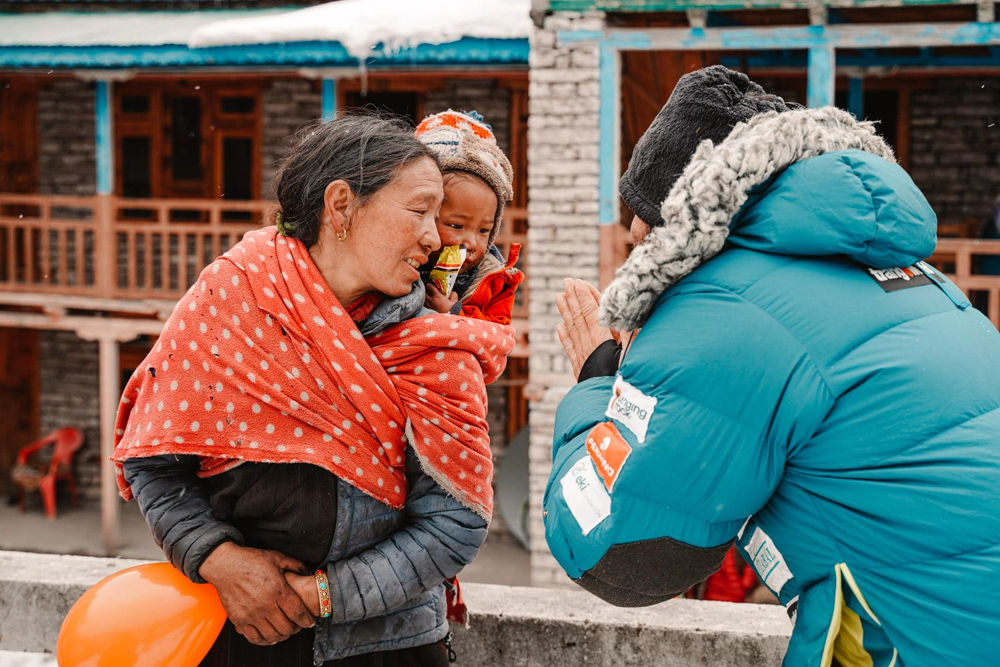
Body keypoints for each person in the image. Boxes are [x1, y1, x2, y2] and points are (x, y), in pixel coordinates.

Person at [544, 66, 1000, 665]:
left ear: (684, 226)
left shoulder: (724, 312)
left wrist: (601, 384)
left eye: (640, 244)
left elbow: (626, 556)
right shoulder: (920, 278)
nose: (632, 269)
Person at [112, 113, 516, 666]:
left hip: (387, 649)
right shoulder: (234, 299)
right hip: (236, 638)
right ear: (342, 206)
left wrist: (317, 596)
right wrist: (219, 559)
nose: (436, 236)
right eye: (420, 210)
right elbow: (156, 459)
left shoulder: (436, 348)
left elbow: (456, 522)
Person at [414, 110, 524, 325]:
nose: (471, 243)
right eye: (456, 225)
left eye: (483, 231)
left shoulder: (493, 281)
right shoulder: (397, 264)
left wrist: (454, 313)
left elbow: (497, 335)